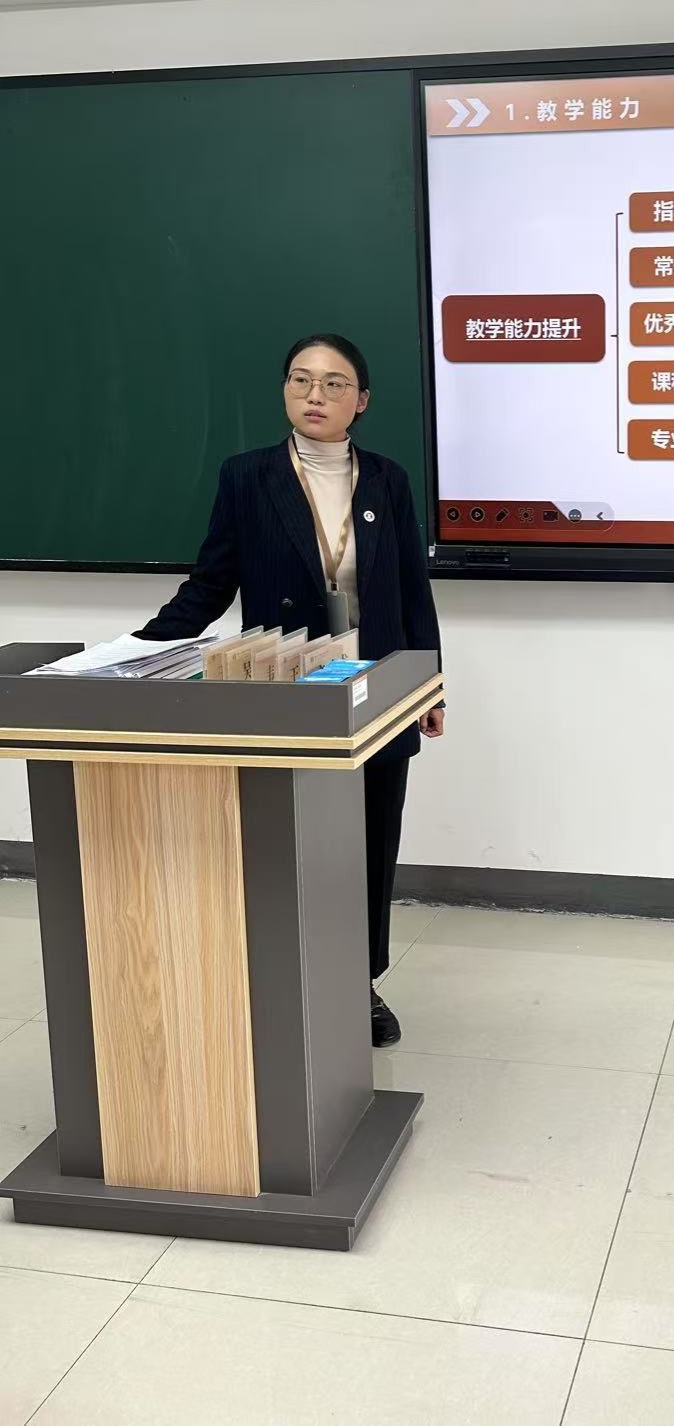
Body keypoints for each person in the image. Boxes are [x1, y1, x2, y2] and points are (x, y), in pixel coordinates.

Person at [136, 334, 444, 1049]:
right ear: (284, 391)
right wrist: (138, 651)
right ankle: (284, 977)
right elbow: (211, 583)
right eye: (301, 380)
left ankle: (360, 982)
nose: (315, 395)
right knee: (288, 842)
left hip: (377, 691)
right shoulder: (248, 477)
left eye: (335, 384)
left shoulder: (388, 480)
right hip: (286, 692)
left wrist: (430, 684)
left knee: (370, 841)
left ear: (360, 402)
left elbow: (412, 591)